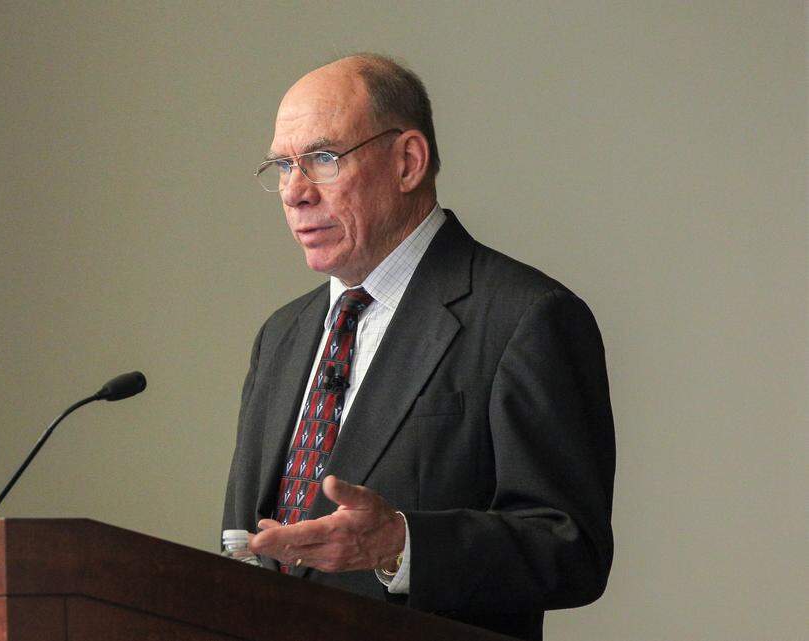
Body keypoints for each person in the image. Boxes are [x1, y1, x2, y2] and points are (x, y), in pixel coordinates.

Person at [221, 53, 615, 641]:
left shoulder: (525, 318)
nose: (295, 193)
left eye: (323, 159)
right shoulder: (282, 335)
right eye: (282, 165)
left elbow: (570, 547)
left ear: (407, 162)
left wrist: (402, 545)